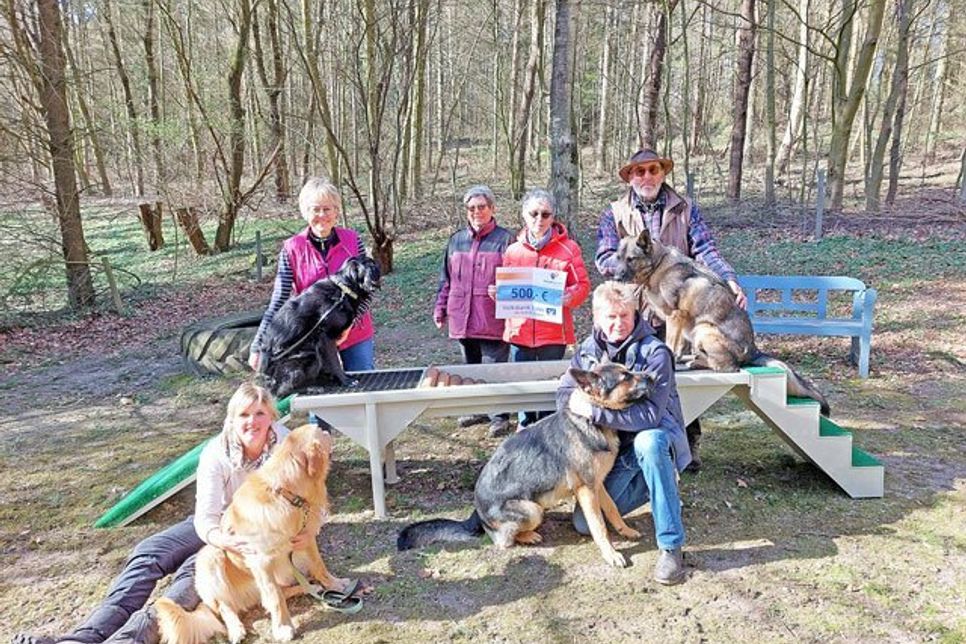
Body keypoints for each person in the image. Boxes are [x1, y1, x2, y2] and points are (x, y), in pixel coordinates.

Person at [13, 383, 311, 644]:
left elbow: (314, 495)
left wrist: (311, 529)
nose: (252, 422)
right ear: (232, 419)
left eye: (260, 413)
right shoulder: (217, 451)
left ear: (272, 416)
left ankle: (127, 640)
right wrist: (219, 538)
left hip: (256, 532)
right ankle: (82, 638)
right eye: (244, 415)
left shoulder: (287, 447)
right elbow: (205, 516)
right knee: (149, 551)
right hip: (216, 525)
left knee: (188, 579)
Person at [595, 148, 746, 471]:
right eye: (639, 171)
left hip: (678, 306)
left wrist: (729, 279)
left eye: (653, 170)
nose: (646, 176)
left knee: (681, 383)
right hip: (632, 310)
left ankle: (687, 446)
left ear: (662, 173)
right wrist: (631, 268)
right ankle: (632, 447)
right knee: (634, 377)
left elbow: (705, 249)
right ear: (630, 177)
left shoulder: (685, 208)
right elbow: (604, 257)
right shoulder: (614, 213)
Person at [556, 282, 691, 585]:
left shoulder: (655, 353)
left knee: (649, 441)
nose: (619, 323)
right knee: (582, 524)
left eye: (625, 316)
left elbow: (649, 416)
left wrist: (594, 412)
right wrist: (575, 401)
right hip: (616, 454)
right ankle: (658, 487)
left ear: (636, 313)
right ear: (596, 318)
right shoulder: (587, 352)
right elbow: (564, 394)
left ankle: (671, 546)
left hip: (654, 442)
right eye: (611, 317)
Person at [249, 177, 375, 376]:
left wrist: (347, 327)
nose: (322, 215)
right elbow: (278, 301)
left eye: (327, 209)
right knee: (321, 391)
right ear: (305, 212)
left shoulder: (352, 241)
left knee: (364, 384)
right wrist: (258, 346)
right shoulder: (291, 248)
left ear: (336, 211)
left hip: (355, 334)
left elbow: (368, 290)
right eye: (316, 209)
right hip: (313, 340)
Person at [501, 188, 590, 428]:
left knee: (551, 387)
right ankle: (524, 429)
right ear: (524, 215)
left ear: (553, 217)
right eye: (534, 213)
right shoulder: (512, 251)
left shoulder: (569, 248)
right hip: (520, 332)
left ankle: (549, 431)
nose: (539, 219)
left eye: (546, 214)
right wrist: (497, 293)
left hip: (553, 333)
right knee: (523, 387)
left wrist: (569, 297)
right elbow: (507, 290)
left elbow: (582, 286)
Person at [433, 185, 515, 436]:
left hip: (491, 316)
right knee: (470, 368)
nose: (477, 212)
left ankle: (499, 416)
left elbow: (516, 279)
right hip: (461, 315)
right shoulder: (456, 240)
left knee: (493, 369)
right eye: (471, 208)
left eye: (482, 207)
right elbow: (446, 279)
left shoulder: (506, 240)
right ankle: (478, 408)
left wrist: (504, 293)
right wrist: (440, 308)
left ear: (492, 208)